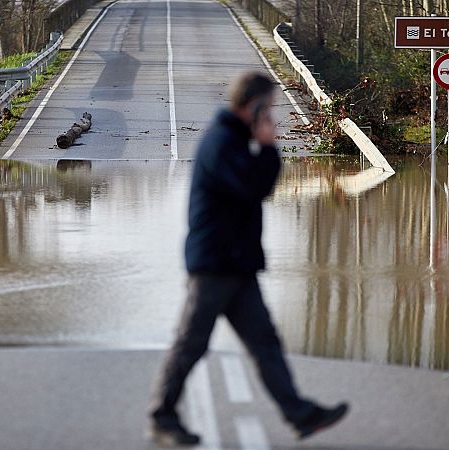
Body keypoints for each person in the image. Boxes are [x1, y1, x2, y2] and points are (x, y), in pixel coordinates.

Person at [147, 72, 348, 447]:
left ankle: (300, 414)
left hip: (236, 265)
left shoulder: (235, 140)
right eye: (268, 107)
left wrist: (265, 147)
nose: (271, 115)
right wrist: (269, 147)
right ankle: (162, 417)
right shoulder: (222, 142)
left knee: (264, 343)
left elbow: (256, 188)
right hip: (215, 265)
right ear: (252, 106)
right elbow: (253, 187)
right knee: (191, 344)